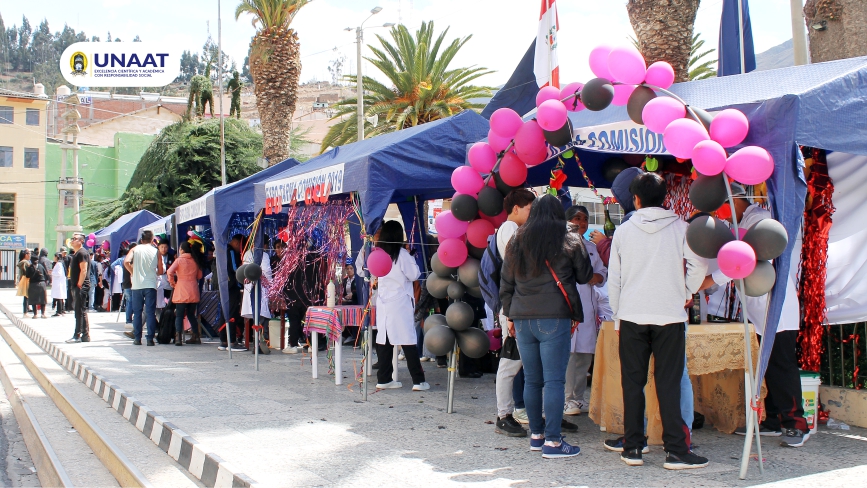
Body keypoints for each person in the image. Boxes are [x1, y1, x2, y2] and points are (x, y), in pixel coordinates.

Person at [607, 172, 707, 469]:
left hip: (632, 314)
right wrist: (686, 289)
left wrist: (617, 316)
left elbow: (615, 278)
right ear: (665, 198)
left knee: (632, 384)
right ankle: (676, 450)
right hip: (669, 314)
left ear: (635, 199)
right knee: (669, 384)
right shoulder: (681, 228)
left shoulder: (624, 232)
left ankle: (633, 448)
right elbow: (699, 264)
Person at [701, 183, 810, 447]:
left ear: (731, 201)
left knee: (781, 365)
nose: (719, 214)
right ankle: (773, 419)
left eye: (719, 207)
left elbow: (742, 261)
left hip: (776, 307)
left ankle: (797, 423)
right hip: (759, 309)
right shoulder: (744, 222)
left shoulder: (759, 222)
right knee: (768, 365)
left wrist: (707, 281)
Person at [500, 194, 593, 459]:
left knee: (532, 379)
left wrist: (509, 315)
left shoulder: (517, 239)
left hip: (522, 317)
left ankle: (537, 437)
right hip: (554, 316)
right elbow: (585, 275)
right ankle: (553, 442)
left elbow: (506, 282)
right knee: (553, 380)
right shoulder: (569, 239)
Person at [493, 189, 536, 437]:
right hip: (514, 307)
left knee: (521, 363)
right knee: (510, 363)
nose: (531, 213)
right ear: (516, 208)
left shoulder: (513, 230)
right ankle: (504, 414)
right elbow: (519, 265)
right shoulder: (509, 229)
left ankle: (529, 412)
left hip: (520, 304)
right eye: (529, 208)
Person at [373, 220, 428, 391]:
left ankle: (384, 378)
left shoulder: (379, 254)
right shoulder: (402, 255)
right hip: (400, 303)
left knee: (384, 340)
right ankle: (418, 381)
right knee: (408, 340)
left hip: (383, 302)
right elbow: (414, 275)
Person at [563, 205, 607, 416]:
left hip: (587, 309)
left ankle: (578, 399)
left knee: (583, 356)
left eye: (585, 219)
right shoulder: (558, 244)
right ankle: (565, 399)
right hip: (566, 308)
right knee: (567, 356)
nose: (581, 223)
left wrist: (596, 278)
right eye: (576, 218)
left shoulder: (592, 248)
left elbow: (602, 273)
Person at [589, 167, 644, 267]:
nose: (617, 201)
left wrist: (602, 242)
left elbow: (618, 262)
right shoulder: (656, 216)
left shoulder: (632, 219)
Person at [124, 231, 164, 346]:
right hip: (151, 285)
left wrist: (133, 272)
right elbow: (161, 271)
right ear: (152, 240)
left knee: (137, 313)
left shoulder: (134, 249)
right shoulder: (156, 251)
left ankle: (137, 338)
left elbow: (126, 262)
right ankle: (150, 339)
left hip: (137, 285)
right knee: (150, 313)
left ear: (141, 240)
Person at [167, 242, 203, 346]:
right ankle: (196, 336)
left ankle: (178, 337)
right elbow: (200, 276)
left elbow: (170, 272)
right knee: (191, 315)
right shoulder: (195, 260)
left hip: (181, 290)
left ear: (182, 250)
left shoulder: (179, 260)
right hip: (193, 290)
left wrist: (172, 283)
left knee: (179, 315)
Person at [241, 244, 273, 353]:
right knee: (261, 317)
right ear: (264, 245)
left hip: (252, 288)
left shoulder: (247, 254)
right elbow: (267, 272)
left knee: (257, 317)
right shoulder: (264, 255)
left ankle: (257, 343)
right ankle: (259, 343)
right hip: (260, 288)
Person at [221, 234, 247, 351]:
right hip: (231, 286)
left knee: (224, 312)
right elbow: (235, 268)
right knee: (231, 313)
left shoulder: (222, 249)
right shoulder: (230, 251)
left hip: (223, 285)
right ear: (236, 243)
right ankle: (231, 341)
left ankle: (224, 340)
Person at [66, 233, 92, 342]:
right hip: (77, 285)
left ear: (81, 241)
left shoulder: (82, 253)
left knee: (80, 310)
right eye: (72, 239)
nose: (72, 241)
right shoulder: (77, 253)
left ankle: (79, 334)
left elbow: (84, 270)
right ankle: (84, 335)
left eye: (75, 239)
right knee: (79, 310)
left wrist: (79, 284)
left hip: (81, 286)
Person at [26, 253, 49, 318]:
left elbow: (27, 275)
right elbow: (46, 274)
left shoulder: (30, 267)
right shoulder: (41, 266)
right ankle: (43, 314)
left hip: (33, 284)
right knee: (43, 299)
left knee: (34, 300)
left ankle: (35, 314)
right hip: (41, 284)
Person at [155, 240, 174, 313]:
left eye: (165, 247)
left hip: (168, 283)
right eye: (162, 247)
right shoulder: (155, 257)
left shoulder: (171, 257)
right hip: (158, 283)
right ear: (158, 247)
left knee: (167, 302)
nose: (163, 249)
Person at [51, 252, 68, 316]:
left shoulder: (59, 264)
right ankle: (61, 310)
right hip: (59, 282)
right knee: (60, 297)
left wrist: (52, 273)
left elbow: (59, 273)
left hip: (58, 283)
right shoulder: (60, 263)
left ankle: (59, 311)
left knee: (59, 297)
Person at [16, 249, 30, 316]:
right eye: (28, 253)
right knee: (26, 296)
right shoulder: (25, 262)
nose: (29, 255)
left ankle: (27, 309)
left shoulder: (21, 262)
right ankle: (25, 312)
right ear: (25, 255)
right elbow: (25, 271)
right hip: (26, 280)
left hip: (22, 280)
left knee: (26, 296)